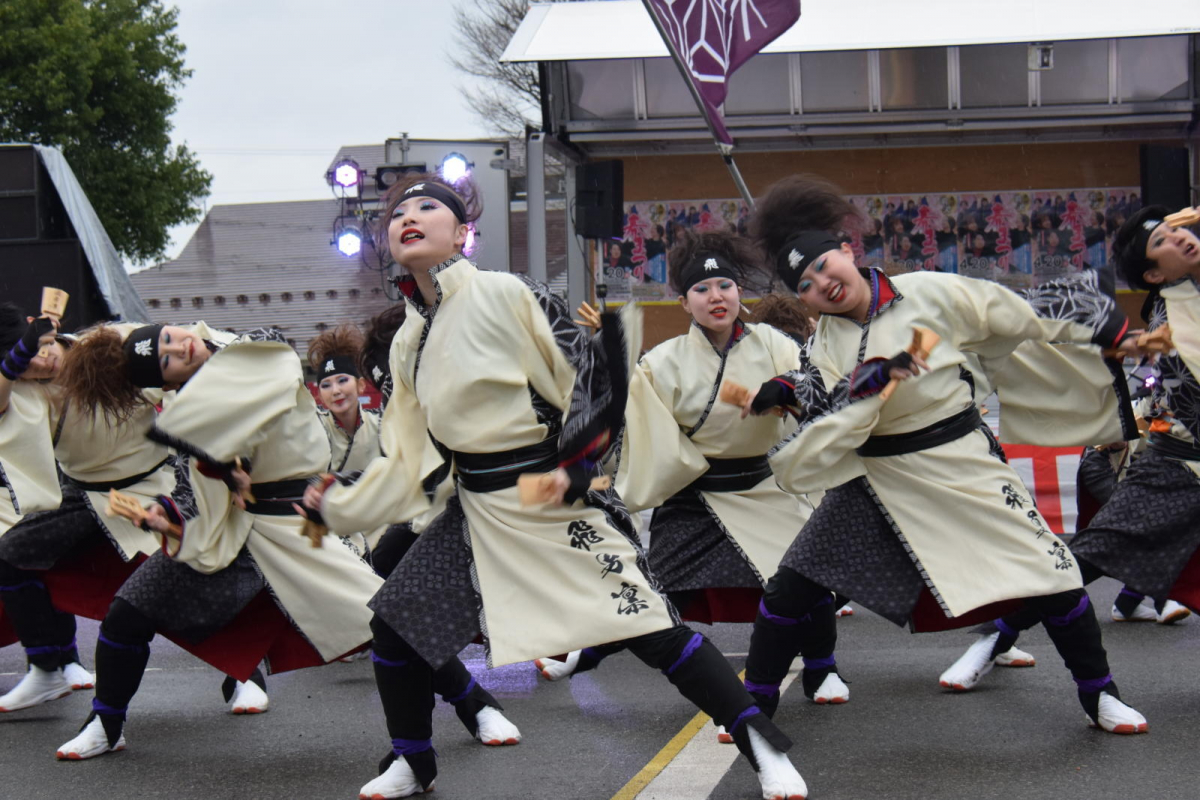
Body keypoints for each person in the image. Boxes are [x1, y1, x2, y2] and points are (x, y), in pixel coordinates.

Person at [305, 173, 807, 800]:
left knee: (649, 628)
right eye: (399, 213)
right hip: (475, 508)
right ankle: (413, 758)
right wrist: (345, 506)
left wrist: (579, 466)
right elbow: (408, 452)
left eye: (428, 207)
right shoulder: (408, 338)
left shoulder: (506, 293)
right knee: (395, 622)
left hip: (544, 495)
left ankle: (760, 745)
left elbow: (590, 374)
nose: (409, 218)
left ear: (462, 234)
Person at [738, 174, 1148, 742]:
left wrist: (1109, 327)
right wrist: (784, 388)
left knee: (1053, 575)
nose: (822, 284)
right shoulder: (824, 339)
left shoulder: (929, 291)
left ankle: (1099, 694)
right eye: (805, 285)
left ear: (848, 251)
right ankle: (753, 705)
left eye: (824, 266)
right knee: (790, 587)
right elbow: (821, 393)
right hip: (876, 477)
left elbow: (1013, 310)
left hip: (958, 461)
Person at [536, 230, 845, 725]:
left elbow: (816, 389)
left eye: (725, 285)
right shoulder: (663, 361)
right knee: (655, 590)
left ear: (740, 292)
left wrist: (785, 390)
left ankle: (821, 666)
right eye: (702, 289)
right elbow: (631, 422)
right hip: (694, 492)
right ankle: (587, 652)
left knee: (803, 580)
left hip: (765, 485)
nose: (715, 296)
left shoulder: (776, 345)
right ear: (684, 302)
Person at [50, 320, 383, 760]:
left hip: (292, 525)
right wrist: (166, 515)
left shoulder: (249, 346)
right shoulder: (186, 409)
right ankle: (106, 722)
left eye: (170, 337)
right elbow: (191, 487)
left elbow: (274, 361)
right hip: (229, 534)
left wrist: (230, 459)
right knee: (126, 614)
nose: (179, 347)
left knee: (383, 621)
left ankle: (465, 704)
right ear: (169, 384)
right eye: (166, 360)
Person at [942, 205, 1200, 693]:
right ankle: (995, 637)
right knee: (1085, 560)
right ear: (1153, 275)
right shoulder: (1171, 314)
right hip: (1176, 466)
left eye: (1175, 231)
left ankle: (1127, 603)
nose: (1179, 239)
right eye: (1162, 242)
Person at [0, 307, 96, 709]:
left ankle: (64, 659)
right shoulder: (16, 387)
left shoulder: (90, 357)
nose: (43, 361)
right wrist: (24, 350)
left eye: (43, 347)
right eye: (29, 358)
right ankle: (48, 664)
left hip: (145, 490)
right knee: (17, 560)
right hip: (29, 503)